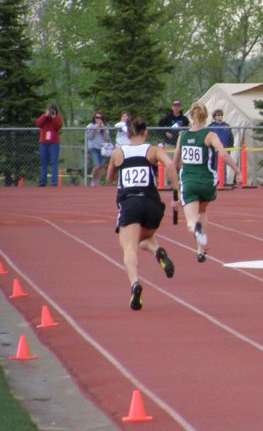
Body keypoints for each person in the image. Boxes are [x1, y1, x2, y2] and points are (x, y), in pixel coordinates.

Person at [106, 117, 179, 310]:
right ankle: (157, 251)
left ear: (127, 134)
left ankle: (135, 284)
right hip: (153, 205)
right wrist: (176, 192)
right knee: (142, 239)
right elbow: (170, 165)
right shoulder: (153, 150)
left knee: (129, 248)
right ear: (146, 132)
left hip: (130, 203)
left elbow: (109, 177)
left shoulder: (118, 152)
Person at [175, 102, 242, 262]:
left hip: (189, 181)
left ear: (190, 116)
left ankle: (195, 230)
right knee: (202, 212)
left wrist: (175, 186)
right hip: (207, 181)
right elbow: (224, 155)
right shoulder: (210, 135)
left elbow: (175, 163)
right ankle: (200, 249)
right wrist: (238, 171)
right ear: (205, 117)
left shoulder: (182, 136)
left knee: (191, 222)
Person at [35, 104, 63, 186]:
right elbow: (38, 123)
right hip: (43, 143)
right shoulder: (44, 117)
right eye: (50, 110)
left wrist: (54, 117)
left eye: (53, 110)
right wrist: (45, 115)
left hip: (54, 143)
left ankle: (54, 182)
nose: (51, 112)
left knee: (54, 162)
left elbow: (58, 126)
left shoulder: (57, 118)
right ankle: (43, 182)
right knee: (44, 163)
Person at [208, 109, 235, 185]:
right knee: (214, 165)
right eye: (218, 115)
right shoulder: (211, 127)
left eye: (221, 115)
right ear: (214, 117)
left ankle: (224, 181)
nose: (220, 116)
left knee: (224, 165)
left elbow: (231, 137)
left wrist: (230, 146)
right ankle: (215, 180)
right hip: (214, 149)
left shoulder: (226, 126)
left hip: (225, 148)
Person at [86, 112, 112, 186]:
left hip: (103, 149)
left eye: (100, 118)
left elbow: (107, 138)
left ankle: (98, 180)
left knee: (102, 166)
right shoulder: (90, 126)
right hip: (94, 148)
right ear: (94, 118)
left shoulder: (105, 126)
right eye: (97, 117)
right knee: (97, 165)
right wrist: (95, 128)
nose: (98, 119)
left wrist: (103, 129)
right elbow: (90, 137)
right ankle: (93, 180)